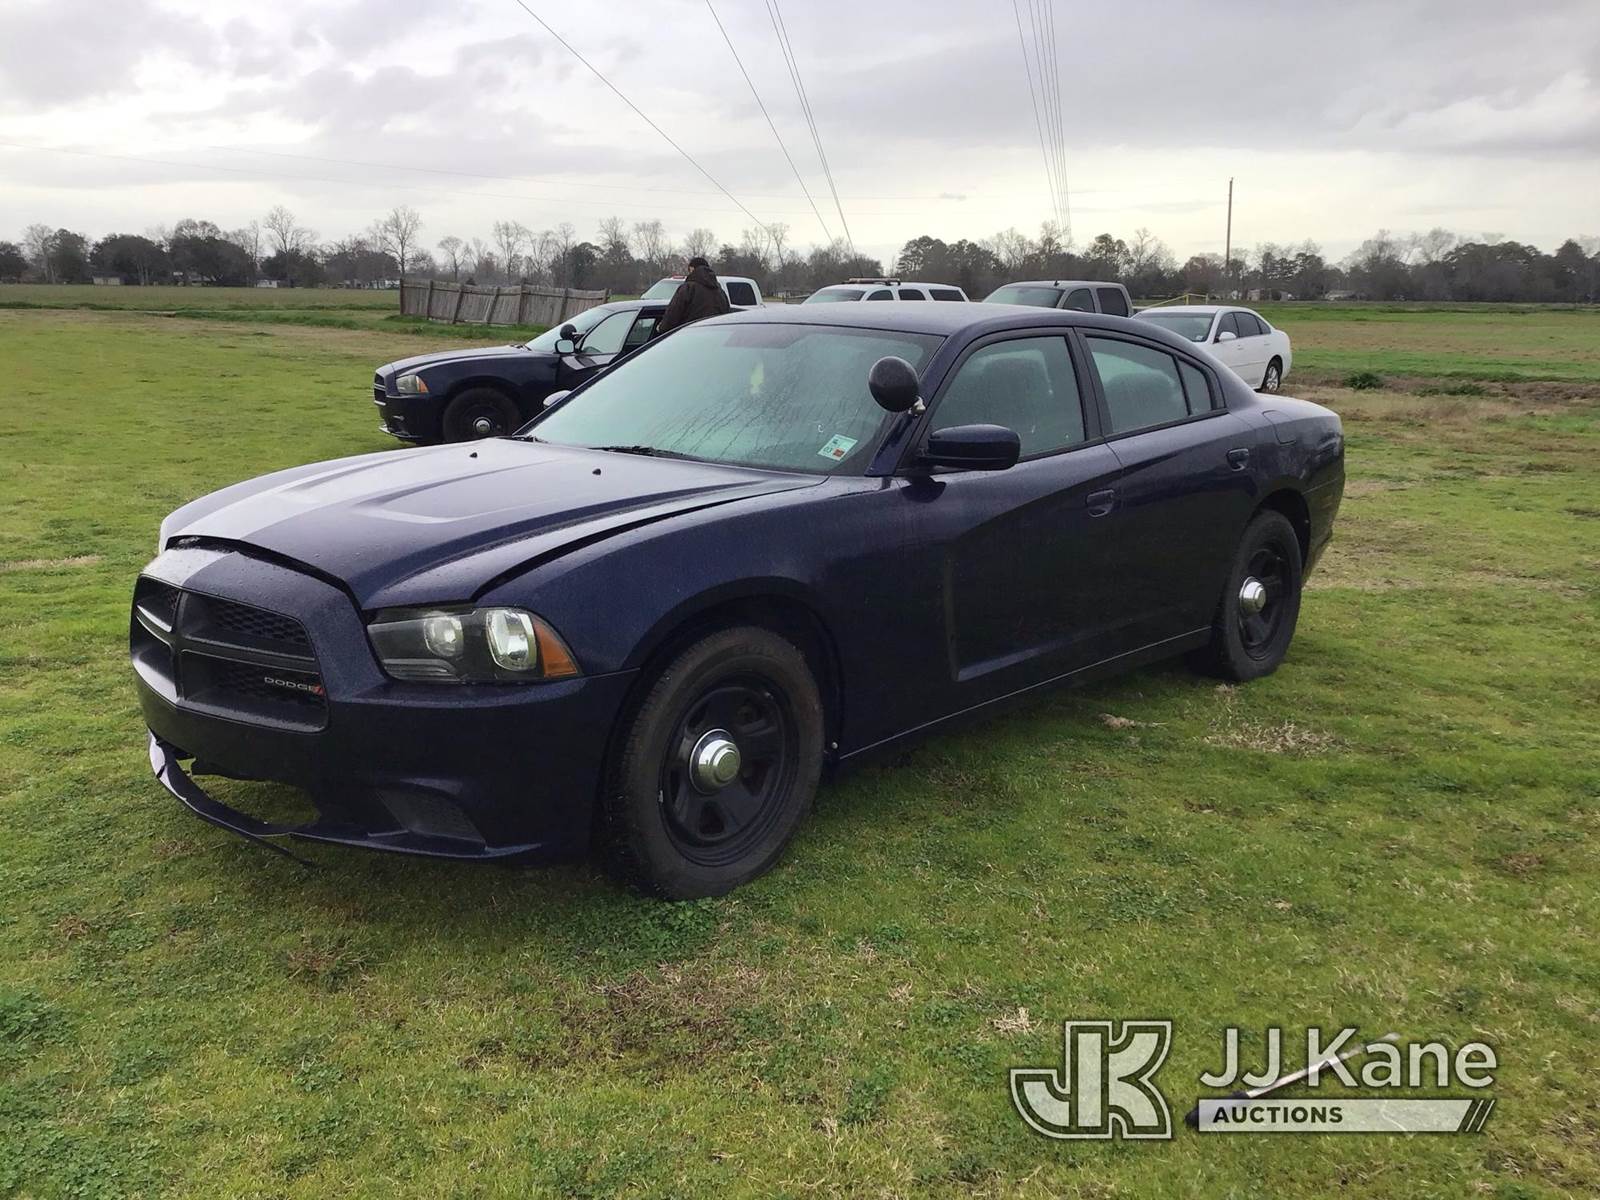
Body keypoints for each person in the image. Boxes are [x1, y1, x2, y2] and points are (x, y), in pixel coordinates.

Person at [654, 256, 731, 335]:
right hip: (717, 336)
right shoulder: (720, 291)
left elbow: (673, 314)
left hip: (691, 336)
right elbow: (726, 316)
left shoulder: (688, 288)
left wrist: (661, 328)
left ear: (692, 269)